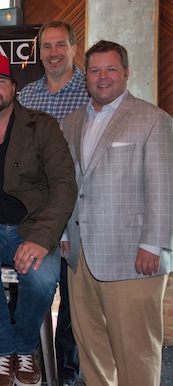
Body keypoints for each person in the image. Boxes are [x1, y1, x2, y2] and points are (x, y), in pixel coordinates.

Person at [0, 54, 77, 386]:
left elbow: (64, 185)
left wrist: (42, 236)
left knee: (40, 279)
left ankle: (23, 347)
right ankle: (2, 348)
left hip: (32, 227)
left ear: (14, 87)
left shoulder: (44, 126)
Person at [60, 40, 173, 386]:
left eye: (111, 69)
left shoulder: (153, 119)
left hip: (133, 255)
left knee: (136, 350)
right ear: (86, 78)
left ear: (126, 73)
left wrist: (153, 246)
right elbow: (67, 184)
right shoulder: (70, 122)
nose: (102, 77)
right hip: (81, 257)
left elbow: (164, 186)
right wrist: (65, 234)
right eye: (94, 70)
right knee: (92, 347)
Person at [18, 20, 89, 385]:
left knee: (75, 305)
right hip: (35, 214)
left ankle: (67, 374)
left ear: (74, 48)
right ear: (39, 52)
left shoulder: (93, 92)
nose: (54, 53)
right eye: (46, 46)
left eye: (60, 45)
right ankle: (33, 363)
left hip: (80, 211)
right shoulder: (27, 96)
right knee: (38, 288)